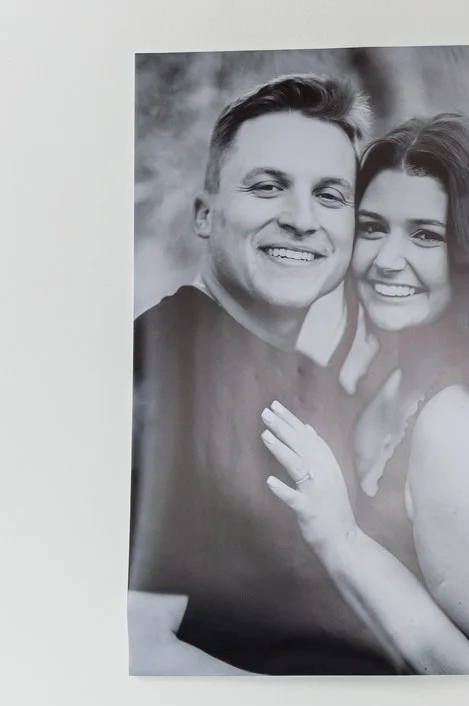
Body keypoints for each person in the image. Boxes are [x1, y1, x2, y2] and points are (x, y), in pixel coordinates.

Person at [129, 75, 400, 674]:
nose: (302, 219)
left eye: (331, 196)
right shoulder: (175, 361)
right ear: (206, 215)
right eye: (269, 186)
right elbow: (138, 647)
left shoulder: (310, 379)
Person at [256, 114, 469, 674]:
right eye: (371, 228)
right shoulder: (381, 379)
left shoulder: (460, 429)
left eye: (426, 234)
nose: (387, 259)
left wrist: (341, 540)